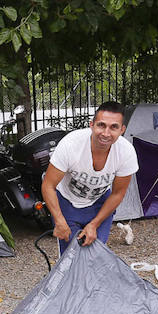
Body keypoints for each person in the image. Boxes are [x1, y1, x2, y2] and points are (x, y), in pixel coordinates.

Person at [41, 101, 138, 254]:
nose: (106, 133)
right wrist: (59, 220)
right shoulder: (71, 145)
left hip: (99, 203)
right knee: (72, 254)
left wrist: (94, 224)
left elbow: (118, 193)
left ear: (122, 130)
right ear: (91, 125)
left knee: (96, 253)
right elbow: (48, 185)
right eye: (101, 125)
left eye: (114, 127)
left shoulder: (126, 152)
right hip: (67, 202)